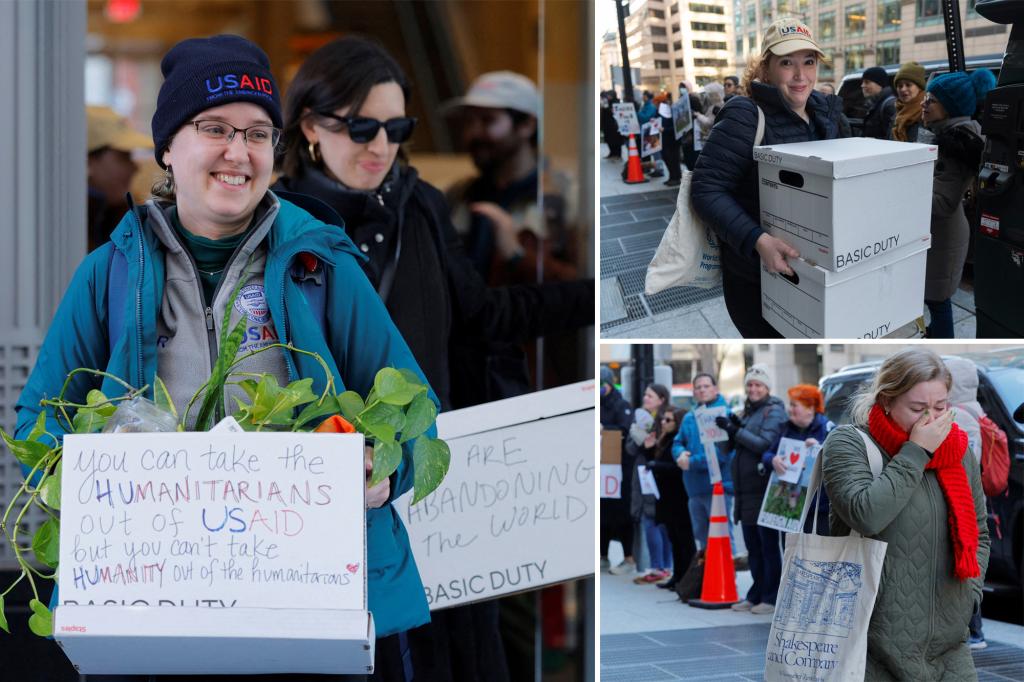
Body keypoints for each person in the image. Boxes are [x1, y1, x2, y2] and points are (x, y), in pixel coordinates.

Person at [16, 35, 435, 681]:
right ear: (167, 146)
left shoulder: (320, 265)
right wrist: (92, 479)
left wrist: (385, 469)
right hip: (153, 608)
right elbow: (38, 421)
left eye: (258, 134)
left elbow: (416, 410)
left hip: (307, 608)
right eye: (214, 128)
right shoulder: (109, 273)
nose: (238, 152)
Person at [273, 36, 594, 680]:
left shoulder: (419, 204)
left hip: (430, 495)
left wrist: (594, 299)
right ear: (309, 125)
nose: (381, 146)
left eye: (397, 129)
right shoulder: (277, 223)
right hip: (322, 506)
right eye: (361, 127)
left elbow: (480, 316)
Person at [821, 349, 989, 679]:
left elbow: (979, 531)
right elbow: (866, 515)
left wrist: (969, 596)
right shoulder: (849, 443)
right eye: (917, 408)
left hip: (949, 646)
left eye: (940, 407)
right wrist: (916, 451)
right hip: (870, 647)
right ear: (886, 400)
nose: (931, 419)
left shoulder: (957, 449)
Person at [691, 17, 846, 337]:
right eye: (787, 62)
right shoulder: (746, 114)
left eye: (809, 61)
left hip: (814, 276)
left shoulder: (827, 114)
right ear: (766, 69)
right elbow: (706, 189)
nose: (800, 75)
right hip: (757, 280)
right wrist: (758, 240)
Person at [444, 70, 587, 406]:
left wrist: (518, 254)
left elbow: (586, 293)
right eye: (469, 122)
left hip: (536, 380)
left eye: (488, 121)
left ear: (526, 125)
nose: (473, 133)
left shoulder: (567, 196)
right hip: (464, 372)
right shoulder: (456, 195)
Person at [919, 70, 994, 338]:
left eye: (932, 100)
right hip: (942, 235)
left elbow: (942, 203)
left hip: (943, 241)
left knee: (938, 304)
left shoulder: (956, 145)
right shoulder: (953, 135)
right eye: (926, 97)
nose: (924, 103)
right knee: (937, 302)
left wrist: (902, 192)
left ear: (950, 107)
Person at [716, 364, 786, 615]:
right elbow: (733, 447)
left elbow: (764, 444)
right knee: (753, 547)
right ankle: (755, 593)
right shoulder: (748, 412)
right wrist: (729, 430)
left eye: (758, 385)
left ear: (767, 388)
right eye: (750, 385)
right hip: (745, 490)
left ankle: (771, 596)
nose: (753, 389)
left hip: (763, 488)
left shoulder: (773, 411)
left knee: (767, 546)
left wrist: (736, 430)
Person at [945, 356, 988, 650]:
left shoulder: (958, 416)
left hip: (961, 503)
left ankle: (974, 632)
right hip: (973, 500)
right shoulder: (974, 409)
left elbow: (961, 462)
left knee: (962, 567)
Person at [673, 372, 735, 552]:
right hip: (693, 488)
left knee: (723, 538)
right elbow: (677, 442)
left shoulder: (725, 415)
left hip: (718, 487)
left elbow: (722, 454)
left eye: (706, 386)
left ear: (715, 389)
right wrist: (680, 454)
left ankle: (729, 571)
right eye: (698, 387)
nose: (702, 390)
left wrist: (691, 462)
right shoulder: (689, 417)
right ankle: (706, 571)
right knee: (702, 539)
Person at [763, 384, 834, 534]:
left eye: (794, 405)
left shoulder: (827, 428)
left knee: (815, 549)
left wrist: (820, 448)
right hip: (789, 516)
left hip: (818, 511)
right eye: (790, 404)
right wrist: (773, 460)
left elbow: (839, 461)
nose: (789, 409)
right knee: (790, 549)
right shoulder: (786, 428)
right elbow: (767, 454)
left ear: (810, 409)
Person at [87, 105, 153, 251]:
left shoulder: (122, 215)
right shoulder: (64, 225)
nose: (135, 167)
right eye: (124, 156)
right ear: (88, 162)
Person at [627, 384, 672, 581]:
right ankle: (659, 566)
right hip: (643, 475)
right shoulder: (639, 419)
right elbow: (629, 449)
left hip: (660, 474)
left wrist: (652, 444)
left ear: (661, 399)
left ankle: (663, 567)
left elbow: (666, 448)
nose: (645, 398)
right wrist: (639, 439)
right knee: (649, 519)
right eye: (645, 394)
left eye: (650, 396)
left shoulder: (666, 419)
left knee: (658, 521)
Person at [647, 407, 695, 590]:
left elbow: (677, 467)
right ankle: (678, 575)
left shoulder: (679, 442)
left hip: (679, 495)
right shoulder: (665, 440)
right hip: (666, 495)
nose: (663, 422)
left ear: (677, 423)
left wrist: (656, 465)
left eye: (668, 420)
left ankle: (686, 577)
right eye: (663, 419)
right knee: (673, 537)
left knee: (683, 537)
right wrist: (649, 452)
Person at [600, 367, 636, 574]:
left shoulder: (621, 405)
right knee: (602, 513)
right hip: (602, 468)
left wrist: (604, 430)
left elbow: (624, 429)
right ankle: (603, 555)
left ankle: (628, 557)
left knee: (621, 513)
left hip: (620, 469)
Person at [889, 61, 926, 143]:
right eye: (900, 86)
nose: (903, 89)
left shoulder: (927, 112)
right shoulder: (897, 112)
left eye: (908, 85)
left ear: (919, 87)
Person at [860, 66, 897, 140]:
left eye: (867, 82)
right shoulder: (875, 104)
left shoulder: (889, 105)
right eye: (862, 82)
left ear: (880, 84)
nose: (862, 85)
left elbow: (890, 139)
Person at [656, 92, 682, 187]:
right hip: (665, 139)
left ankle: (676, 178)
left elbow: (677, 126)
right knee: (667, 158)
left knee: (673, 159)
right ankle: (672, 177)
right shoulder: (661, 111)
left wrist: (665, 129)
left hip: (672, 140)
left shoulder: (673, 110)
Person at [601, 90, 624, 160]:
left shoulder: (616, 102)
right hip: (607, 124)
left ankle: (618, 154)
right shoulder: (607, 102)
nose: (608, 97)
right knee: (609, 140)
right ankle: (612, 153)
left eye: (609, 95)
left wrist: (606, 107)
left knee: (616, 140)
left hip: (614, 125)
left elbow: (613, 112)